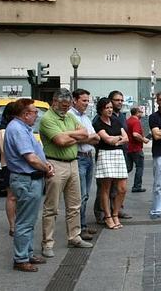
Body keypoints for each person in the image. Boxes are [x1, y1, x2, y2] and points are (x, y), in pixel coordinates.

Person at [40, 89, 92, 258]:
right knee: (51, 207)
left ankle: (74, 237)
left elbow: (85, 133)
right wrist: (75, 136)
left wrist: (69, 135)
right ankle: (47, 242)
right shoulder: (47, 119)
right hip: (55, 164)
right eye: (63, 105)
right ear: (54, 102)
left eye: (68, 105)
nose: (66, 108)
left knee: (75, 204)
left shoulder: (69, 116)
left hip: (73, 163)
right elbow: (60, 141)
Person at [5, 98, 54, 272]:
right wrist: (46, 168)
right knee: (25, 222)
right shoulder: (17, 129)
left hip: (30, 179)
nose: (37, 114)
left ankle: (27, 253)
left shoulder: (22, 128)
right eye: (34, 112)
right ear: (25, 114)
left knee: (29, 220)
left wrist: (45, 166)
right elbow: (31, 158)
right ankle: (21, 258)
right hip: (26, 179)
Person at [94, 91, 132, 223]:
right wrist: (116, 139)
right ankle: (107, 216)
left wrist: (116, 140)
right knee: (105, 188)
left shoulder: (117, 119)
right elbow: (108, 140)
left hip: (118, 154)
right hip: (105, 155)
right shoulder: (97, 122)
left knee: (122, 188)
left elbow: (126, 138)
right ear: (101, 109)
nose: (110, 109)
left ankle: (115, 213)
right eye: (107, 107)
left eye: (111, 107)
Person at [69, 89, 101, 240]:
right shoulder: (70, 116)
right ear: (74, 100)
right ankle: (79, 228)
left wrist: (87, 137)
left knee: (86, 194)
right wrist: (88, 137)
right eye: (83, 101)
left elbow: (96, 138)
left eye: (88, 101)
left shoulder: (86, 118)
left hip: (89, 157)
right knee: (80, 195)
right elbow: (76, 138)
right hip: (79, 157)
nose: (86, 104)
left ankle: (83, 225)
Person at [0, 102, 18, 237]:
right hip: (9, 166)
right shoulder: (3, 130)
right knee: (12, 196)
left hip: (17, 166)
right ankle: (12, 225)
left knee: (18, 196)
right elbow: (6, 151)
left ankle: (18, 223)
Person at [126, 107, 149, 193]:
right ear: (137, 113)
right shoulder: (136, 122)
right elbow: (135, 134)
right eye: (141, 112)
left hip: (128, 148)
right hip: (136, 148)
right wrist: (144, 139)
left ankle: (117, 182)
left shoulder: (128, 121)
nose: (142, 114)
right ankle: (137, 186)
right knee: (139, 167)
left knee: (128, 167)